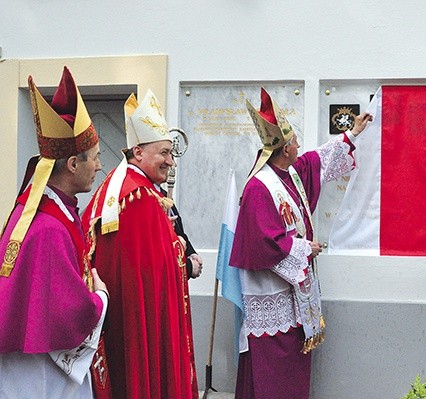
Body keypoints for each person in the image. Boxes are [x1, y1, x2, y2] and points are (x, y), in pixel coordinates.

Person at [230, 87, 372, 399]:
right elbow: (262, 243)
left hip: (295, 297)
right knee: (272, 374)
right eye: (294, 141)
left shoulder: (290, 174)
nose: (298, 145)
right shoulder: (259, 187)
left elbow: (316, 161)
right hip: (272, 294)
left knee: (292, 373)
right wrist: (306, 248)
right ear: (284, 150)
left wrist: (352, 135)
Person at [81, 90, 199, 398]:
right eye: (164, 153)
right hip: (136, 327)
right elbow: (153, 272)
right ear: (138, 152)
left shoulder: (119, 188)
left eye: (171, 153)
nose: (170, 162)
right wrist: (185, 260)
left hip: (117, 320)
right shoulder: (138, 199)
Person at [0, 66, 109, 398]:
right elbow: (67, 312)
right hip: (41, 373)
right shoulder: (48, 228)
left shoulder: (42, 213)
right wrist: (101, 298)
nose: (100, 166)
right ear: (73, 164)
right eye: (95, 158)